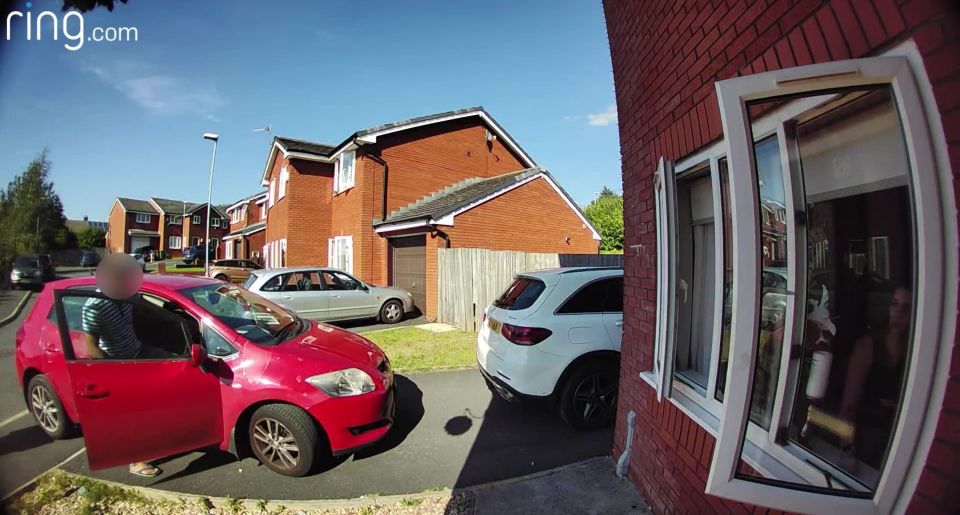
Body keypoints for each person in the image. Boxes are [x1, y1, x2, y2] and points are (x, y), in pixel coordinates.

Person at [81, 254, 165, 478]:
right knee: (132, 412)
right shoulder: (94, 307)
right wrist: (113, 371)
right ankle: (135, 460)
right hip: (118, 362)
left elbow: (145, 307)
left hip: (138, 350)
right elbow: (90, 346)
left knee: (175, 362)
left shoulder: (128, 294)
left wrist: (175, 319)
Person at [838, 286, 912, 469]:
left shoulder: (913, 352)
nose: (899, 313)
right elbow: (848, 406)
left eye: (907, 308)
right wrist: (847, 448)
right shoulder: (867, 347)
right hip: (867, 437)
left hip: (900, 439)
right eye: (895, 304)